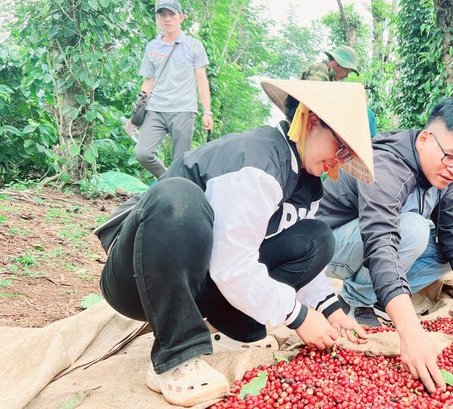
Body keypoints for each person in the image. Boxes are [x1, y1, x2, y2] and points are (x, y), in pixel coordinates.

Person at [93, 79, 374, 407]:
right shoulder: (259, 162)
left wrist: (332, 309)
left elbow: (265, 254)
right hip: (140, 277)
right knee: (179, 197)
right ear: (312, 121)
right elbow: (232, 263)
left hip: (201, 278)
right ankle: (175, 357)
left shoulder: (307, 185)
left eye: (347, 155)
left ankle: (228, 330)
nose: (338, 162)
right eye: (340, 148)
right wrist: (296, 315)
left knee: (317, 238)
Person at [317, 97, 453, 394]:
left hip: (371, 242)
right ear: (425, 139)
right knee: (413, 229)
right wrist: (410, 332)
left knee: (446, 253)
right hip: (326, 245)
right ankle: (357, 301)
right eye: (451, 158)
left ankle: (379, 296)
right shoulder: (385, 163)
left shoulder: (445, 174)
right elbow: (381, 239)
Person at [135, 0, 214, 179]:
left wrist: (207, 111)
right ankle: (169, 181)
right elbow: (148, 81)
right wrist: (136, 110)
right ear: (158, 18)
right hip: (155, 109)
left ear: (181, 18)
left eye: (171, 14)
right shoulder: (152, 47)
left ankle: (176, 192)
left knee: (180, 161)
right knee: (142, 153)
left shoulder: (194, 46)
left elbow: (201, 79)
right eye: (162, 15)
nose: (167, 19)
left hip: (183, 110)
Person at [300, 45, 378, 137]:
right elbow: (312, 97)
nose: (346, 76)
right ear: (338, 63)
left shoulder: (328, 76)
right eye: (347, 71)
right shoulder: (322, 70)